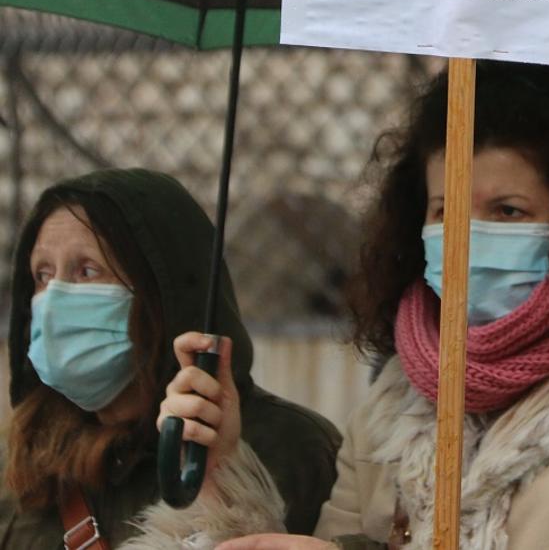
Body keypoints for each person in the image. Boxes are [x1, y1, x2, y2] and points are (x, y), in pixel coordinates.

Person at [157, 62, 549, 549]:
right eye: (444, 209)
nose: (464, 236)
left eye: (507, 211)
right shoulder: (390, 403)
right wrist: (222, 472)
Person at [0, 168, 340, 548]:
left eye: (87, 270)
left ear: (161, 293)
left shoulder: (286, 448)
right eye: (42, 275)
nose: (55, 301)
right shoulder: (26, 464)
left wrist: (225, 487)